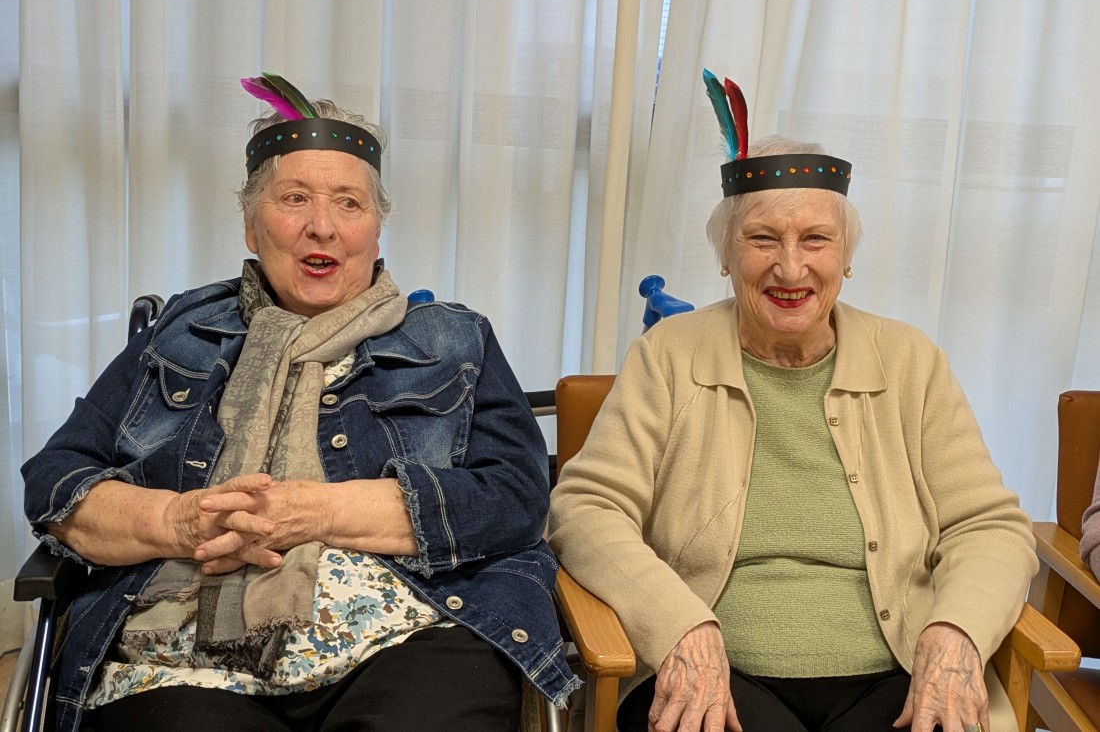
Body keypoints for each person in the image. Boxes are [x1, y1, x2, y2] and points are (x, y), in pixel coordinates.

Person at [23, 73, 579, 732]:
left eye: (349, 203)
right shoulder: (181, 333)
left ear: (376, 229)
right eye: (294, 199)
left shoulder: (454, 341)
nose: (323, 227)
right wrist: (177, 522)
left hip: (415, 631)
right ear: (251, 225)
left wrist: (321, 511)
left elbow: (516, 497)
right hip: (180, 659)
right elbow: (56, 479)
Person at [547, 70, 1037, 732]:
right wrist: (680, 625)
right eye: (762, 239)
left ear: (846, 256)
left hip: (897, 671)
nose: (790, 266)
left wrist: (956, 631)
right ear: (727, 256)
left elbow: (988, 525)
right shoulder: (668, 355)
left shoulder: (909, 360)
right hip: (716, 675)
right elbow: (586, 508)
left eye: (815, 239)